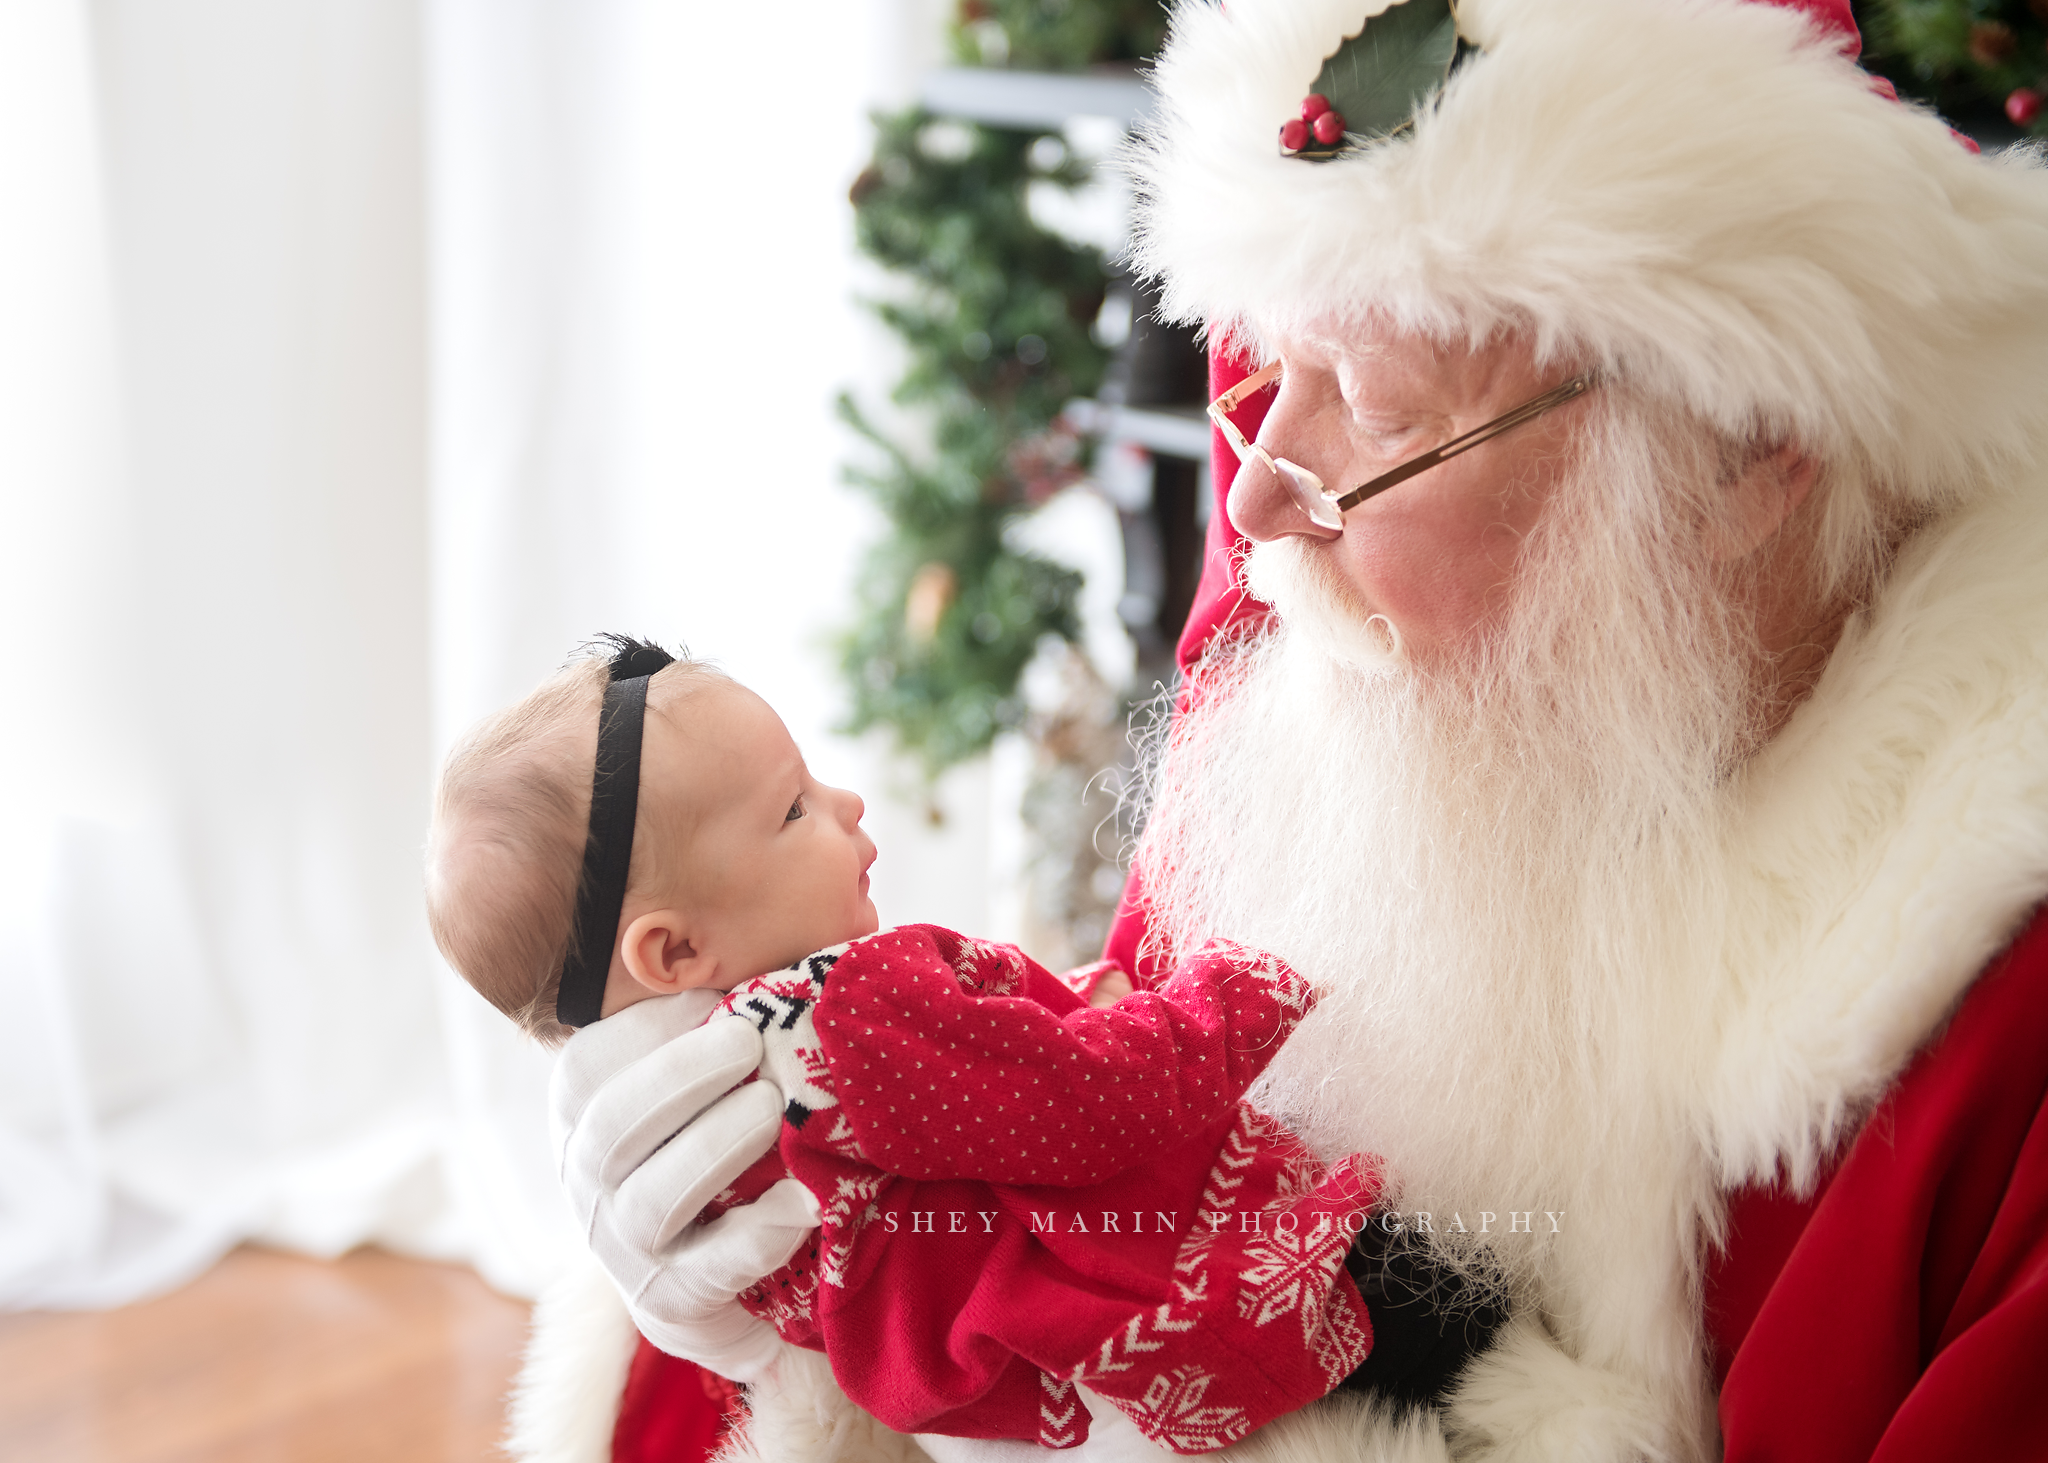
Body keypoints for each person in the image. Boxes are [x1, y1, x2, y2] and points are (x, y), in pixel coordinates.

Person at [512, 0, 2048, 1458]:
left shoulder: (2000, 994)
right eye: (1260, 369)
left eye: (1374, 402)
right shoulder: (1345, 614)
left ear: (1746, 449)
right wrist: (771, 1296)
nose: (1249, 504)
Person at [426, 644, 1381, 1453]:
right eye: (792, 810)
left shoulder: (691, 1130)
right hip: (1181, 1267)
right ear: (673, 950)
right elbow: (1083, 1099)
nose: (848, 802)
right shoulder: (837, 1012)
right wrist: (1248, 985)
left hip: (1034, 1393)